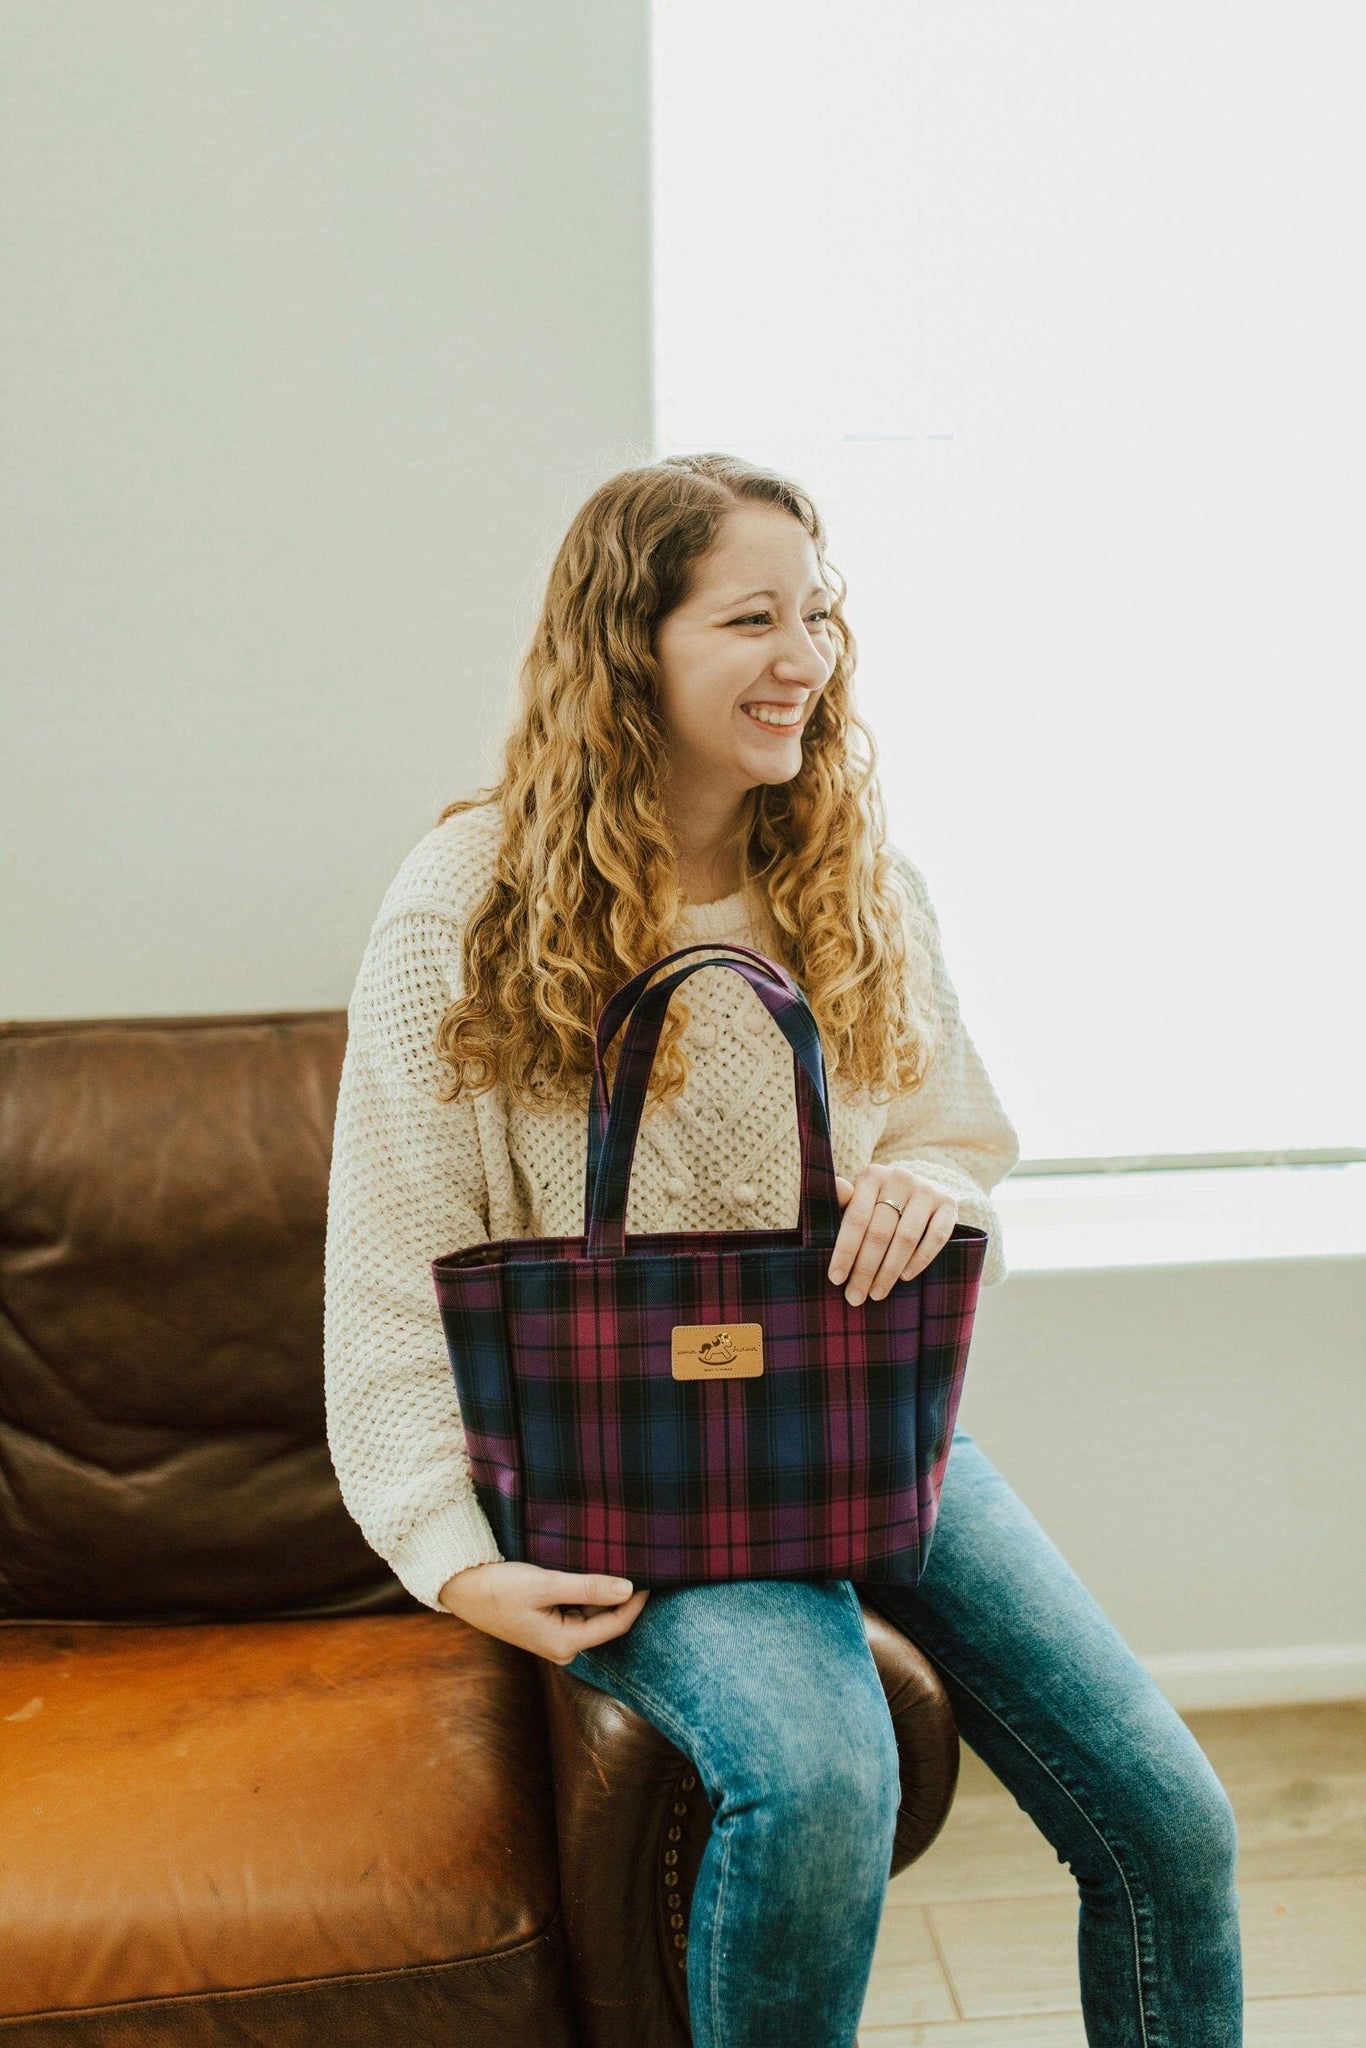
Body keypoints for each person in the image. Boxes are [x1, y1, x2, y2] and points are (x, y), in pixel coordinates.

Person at [323, 452, 1243, 2048]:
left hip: (866, 1432)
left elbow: (956, 1142)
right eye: (752, 617)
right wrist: (451, 1556)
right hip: (637, 1481)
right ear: (632, 649)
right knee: (819, 1774)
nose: (806, 658)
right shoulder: (460, 910)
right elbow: (391, 1264)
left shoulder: (858, 882)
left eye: (817, 613)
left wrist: (926, 1195)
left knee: (1172, 1824)